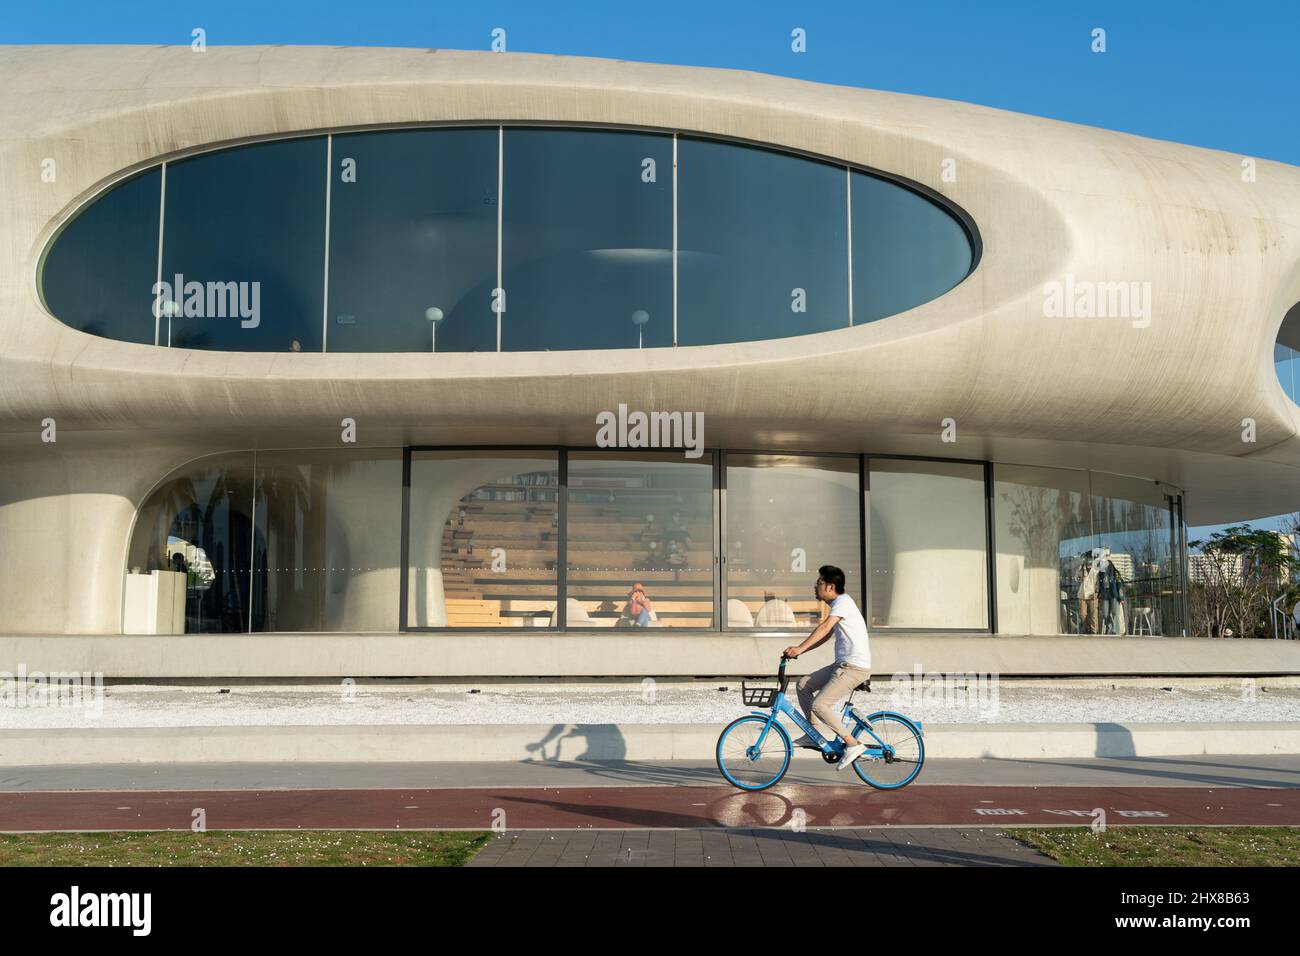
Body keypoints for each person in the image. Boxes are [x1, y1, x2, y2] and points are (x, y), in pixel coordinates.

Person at [782, 564, 871, 770]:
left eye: (819, 583)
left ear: (830, 587)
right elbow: (826, 634)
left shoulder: (843, 602)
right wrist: (801, 651)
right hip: (842, 665)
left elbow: (824, 628)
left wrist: (799, 648)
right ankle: (814, 734)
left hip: (854, 667)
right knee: (803, 684)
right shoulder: (838, 606)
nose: (815, 586)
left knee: (820, 705)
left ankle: (852, 743)